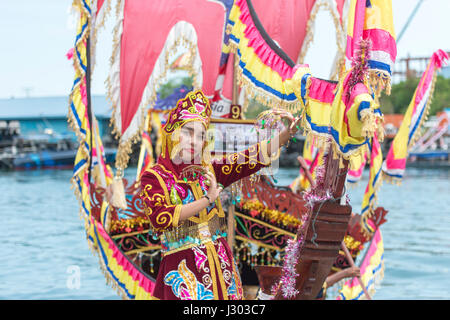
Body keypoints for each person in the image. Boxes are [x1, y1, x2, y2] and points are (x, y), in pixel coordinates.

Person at [139, 89, 300, 300]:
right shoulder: (155, 177)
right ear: (172, 132)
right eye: (188, 132)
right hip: (184, 271)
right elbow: (162, 218)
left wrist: (287, 133)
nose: (194, 141)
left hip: (222, 268)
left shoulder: (209, 171)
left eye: (201, 135)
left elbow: (250, 158)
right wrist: (207, 200)